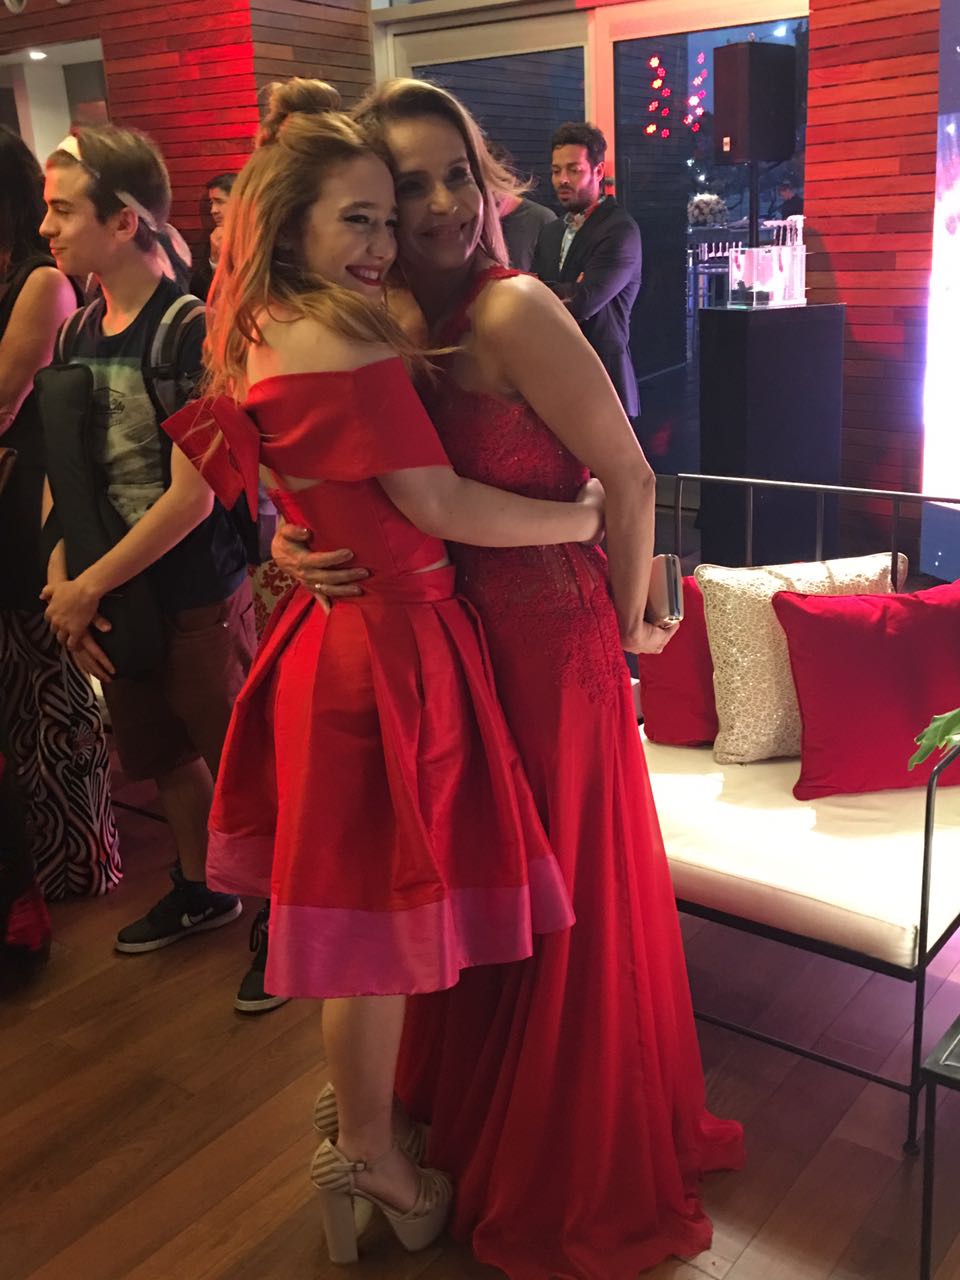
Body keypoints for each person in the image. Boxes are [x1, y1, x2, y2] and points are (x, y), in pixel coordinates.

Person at [274, 77, 744, 1280]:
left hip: (549, 650)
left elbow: (630, 478)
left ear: (489, 185)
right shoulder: (379, 319)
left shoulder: (513, 306)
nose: (439, 206)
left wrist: (631, 633)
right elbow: (349, 472)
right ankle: (472, 1122)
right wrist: (291, 542)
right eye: (407, 188)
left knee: (561, 902)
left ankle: (564, 1157)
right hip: (449, 649)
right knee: (483, 893)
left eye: (457, 177)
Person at [161, 78, 612, 1265]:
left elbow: (282, 471)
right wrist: (581, 521)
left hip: (378, 635)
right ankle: (368, 1142)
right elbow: (435, 501)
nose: (387, 234)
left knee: (374, 907)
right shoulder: (355, 330)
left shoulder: (276, 322)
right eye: (364, 212)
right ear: (294, 222)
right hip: (399, 641)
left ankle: (370, 1119)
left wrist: (294, 535)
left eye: (393, 208)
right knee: (376, 917)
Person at [36, 126, 274, 1011]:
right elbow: (66, 470)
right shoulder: (76, 332)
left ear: (124, 220)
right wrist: (64, 579)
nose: (47, 229)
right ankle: (202, 886)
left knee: (240, 761)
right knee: (162, 755)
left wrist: (85, 587)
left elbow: (194, 498)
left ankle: (287, 917)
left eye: (64, 210)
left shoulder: (193, 331)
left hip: (196, 591)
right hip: (114, 593)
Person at [0, 125, 119, 903]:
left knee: (52, 689)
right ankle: (32, 868)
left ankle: (82, 860)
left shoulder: (42, 283)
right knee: (16, 694)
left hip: (28, 502)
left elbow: (6, 398)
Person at [532, 121, 643, 420]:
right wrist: (562, 288)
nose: (562, 180)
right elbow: (531, 289)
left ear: (598, 171)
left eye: (574, 170)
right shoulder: (551, 230)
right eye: (556, 171)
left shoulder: (619, 230)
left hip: (604, 379)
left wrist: (543, 292)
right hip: (554, 377)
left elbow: (583, 302)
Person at [486, 142, 555, 272]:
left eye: (493, 186)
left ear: (510, 182)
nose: (487, 197)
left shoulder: (542, 220)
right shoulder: (469, 222)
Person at [189, 173, 236, 300]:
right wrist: (214, 260)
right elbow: (196, 292)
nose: (213, 210)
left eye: (219, 201)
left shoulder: (258, 240)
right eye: (211, 203)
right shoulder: (211, 241)